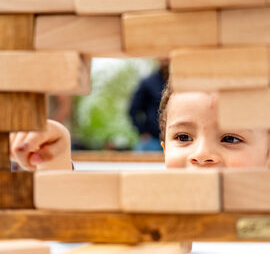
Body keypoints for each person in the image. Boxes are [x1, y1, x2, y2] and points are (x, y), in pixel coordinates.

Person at [10, 83, 269, 171]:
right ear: (164, 149)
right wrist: (54, 158)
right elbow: (72, 224)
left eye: (231, 139)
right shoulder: (157, 209)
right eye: (183, 136)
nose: (200, 154)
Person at [128, 59, 169, 151]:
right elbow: (133, 110)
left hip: (179, 139)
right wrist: (143, 132)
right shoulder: (148, 82)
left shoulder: (183, 82)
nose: (165, 58)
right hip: (152, 140)